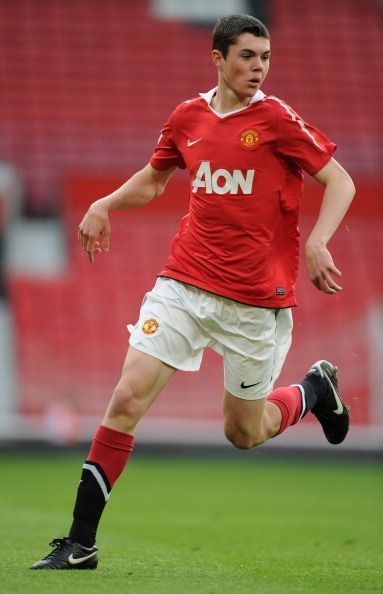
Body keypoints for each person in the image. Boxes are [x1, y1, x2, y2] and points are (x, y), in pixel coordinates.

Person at [31, 14, 355, 570]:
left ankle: (313, 392)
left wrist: (319, 242)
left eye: (266, 57)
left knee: (243, 433)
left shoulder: (275, 119)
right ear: (218, 57)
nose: (259, 67)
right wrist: (105, 203)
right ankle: (80, 543)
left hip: (255, 302)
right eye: (248, 56)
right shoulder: (188, 116)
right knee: (127, 398)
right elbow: (156, 178)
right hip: (183, 285)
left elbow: (340, 180)